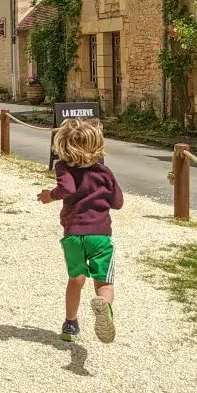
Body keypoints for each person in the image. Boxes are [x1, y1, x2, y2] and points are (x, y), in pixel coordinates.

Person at [37, 118, 124, 344]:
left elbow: (67, 188)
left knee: (76, 279)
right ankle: (103, 305)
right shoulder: (105, 172)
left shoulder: (63, 167)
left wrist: (50, 196)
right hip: (101, 236)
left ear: (63, 145)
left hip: (74, 235)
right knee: (104, 282)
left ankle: (71, 324)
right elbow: (118, 203)